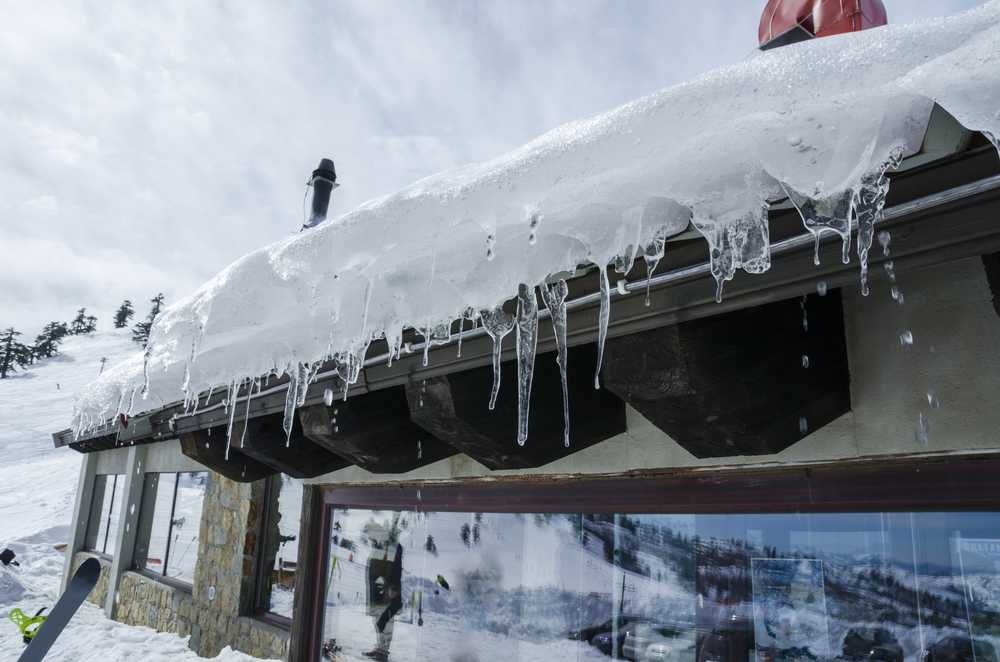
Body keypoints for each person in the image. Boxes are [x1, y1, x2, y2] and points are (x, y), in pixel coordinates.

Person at [364, 535, 403, 661]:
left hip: (387, 590)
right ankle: (380, 648)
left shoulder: (394, 547)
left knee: (386, 620)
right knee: (378, 619)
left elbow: (396, 569)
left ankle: (383, 651)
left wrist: (394, 587)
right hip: (377, 588)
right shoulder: (380, 546)